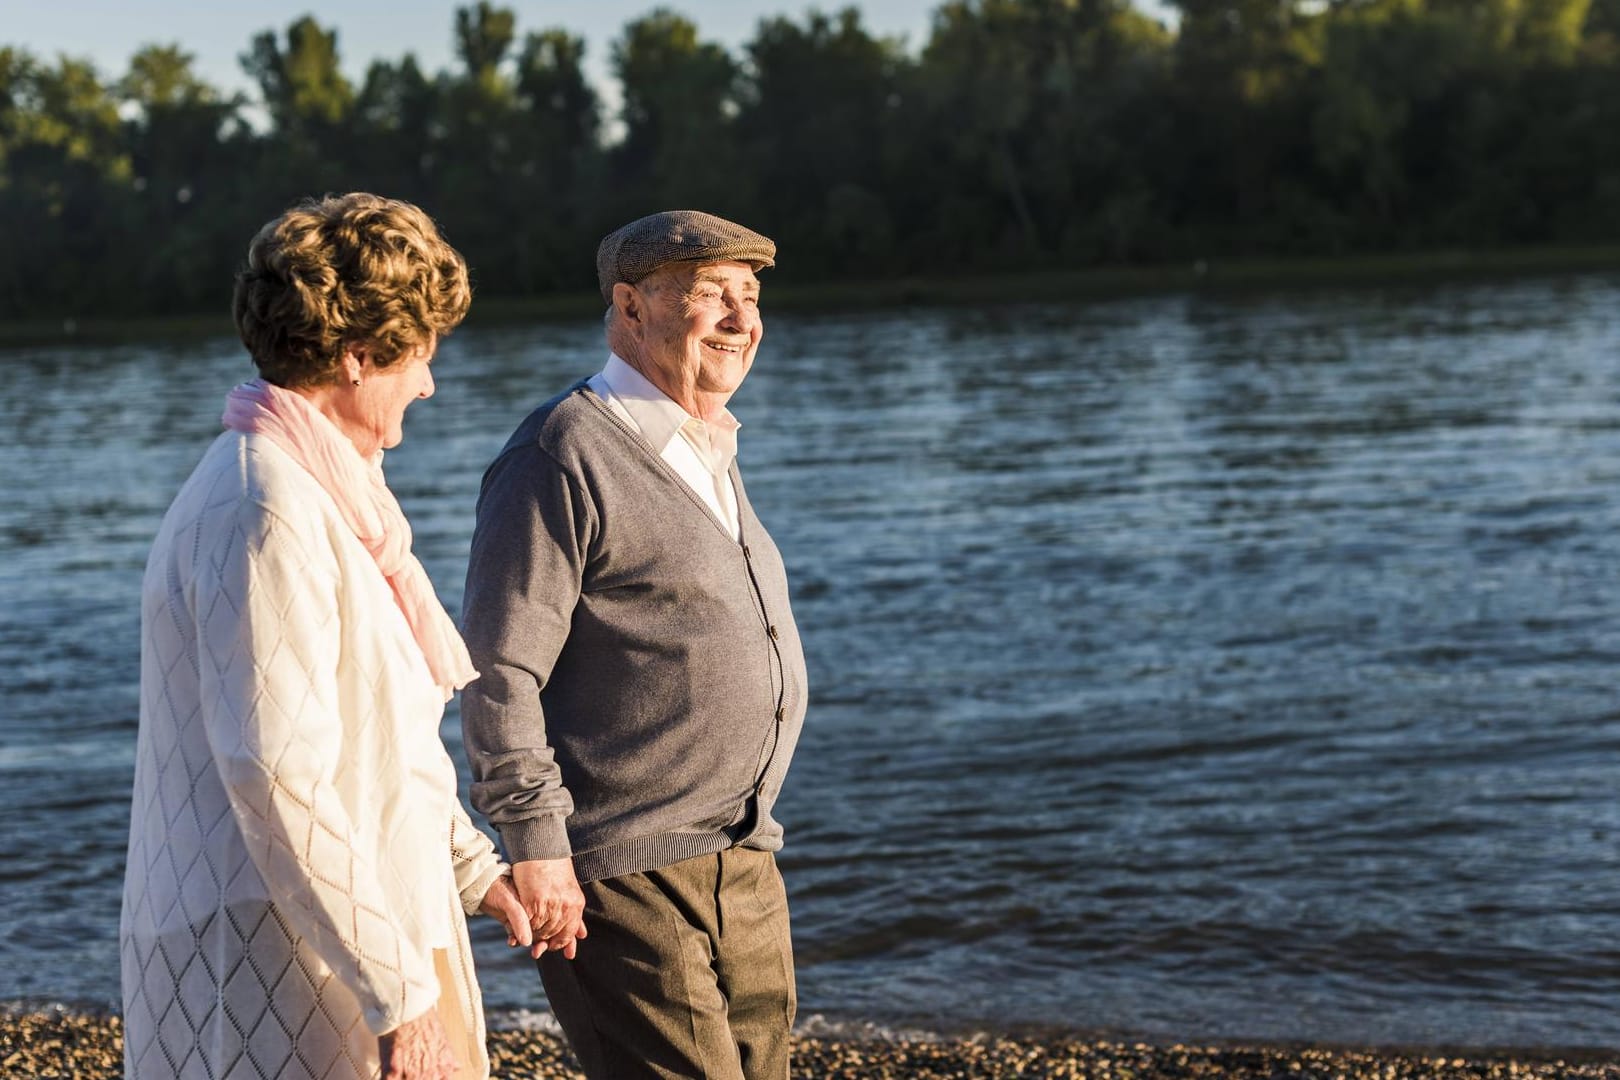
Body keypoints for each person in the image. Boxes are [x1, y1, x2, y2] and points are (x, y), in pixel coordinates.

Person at [120, 192, 535, 1080]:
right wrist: (396, 993)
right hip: (279, 965)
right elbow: (279, 775)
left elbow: (380, 738)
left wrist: (473, 872)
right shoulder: (264, 509)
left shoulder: (328, 498)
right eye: (419, 358)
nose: (428, 384)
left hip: (355, 932)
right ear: (356, 358)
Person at [460, 210, 809, 1080]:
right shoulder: (560, 453)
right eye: (710, 296)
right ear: (631, 306)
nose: (740, 318)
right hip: (621, 875)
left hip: (744, 857)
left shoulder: (708, 446)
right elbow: (499, 672)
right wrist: (537, 846)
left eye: (750, 296)